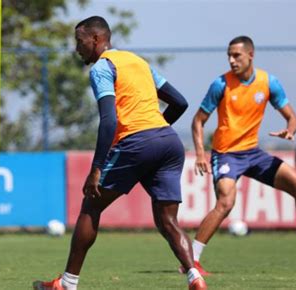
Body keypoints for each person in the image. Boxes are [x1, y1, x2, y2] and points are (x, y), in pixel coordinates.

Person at [33, 16, 206, 290]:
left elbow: (109, 121)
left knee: (91, 205)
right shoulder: (138, 61)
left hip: (138, 142)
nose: (77, 49)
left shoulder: (102, 68)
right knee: (168, 220)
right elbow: (180, 102)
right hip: (169, 142)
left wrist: (96, 168)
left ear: (96, 39)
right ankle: (195, 278)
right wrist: (156, 132)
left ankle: (66, 284)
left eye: (79, 42)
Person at [188, 36, 296, 275]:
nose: (231, 61)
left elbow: (292, 118)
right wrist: (201, 153)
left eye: (237, 55)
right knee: (226, 202)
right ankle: (191, 259)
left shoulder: (269, 82)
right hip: (226, 155)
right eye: (229, 56)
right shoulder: (220, 84)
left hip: (253, 154)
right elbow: (198, 121)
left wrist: (290, 130)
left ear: (250, 55)